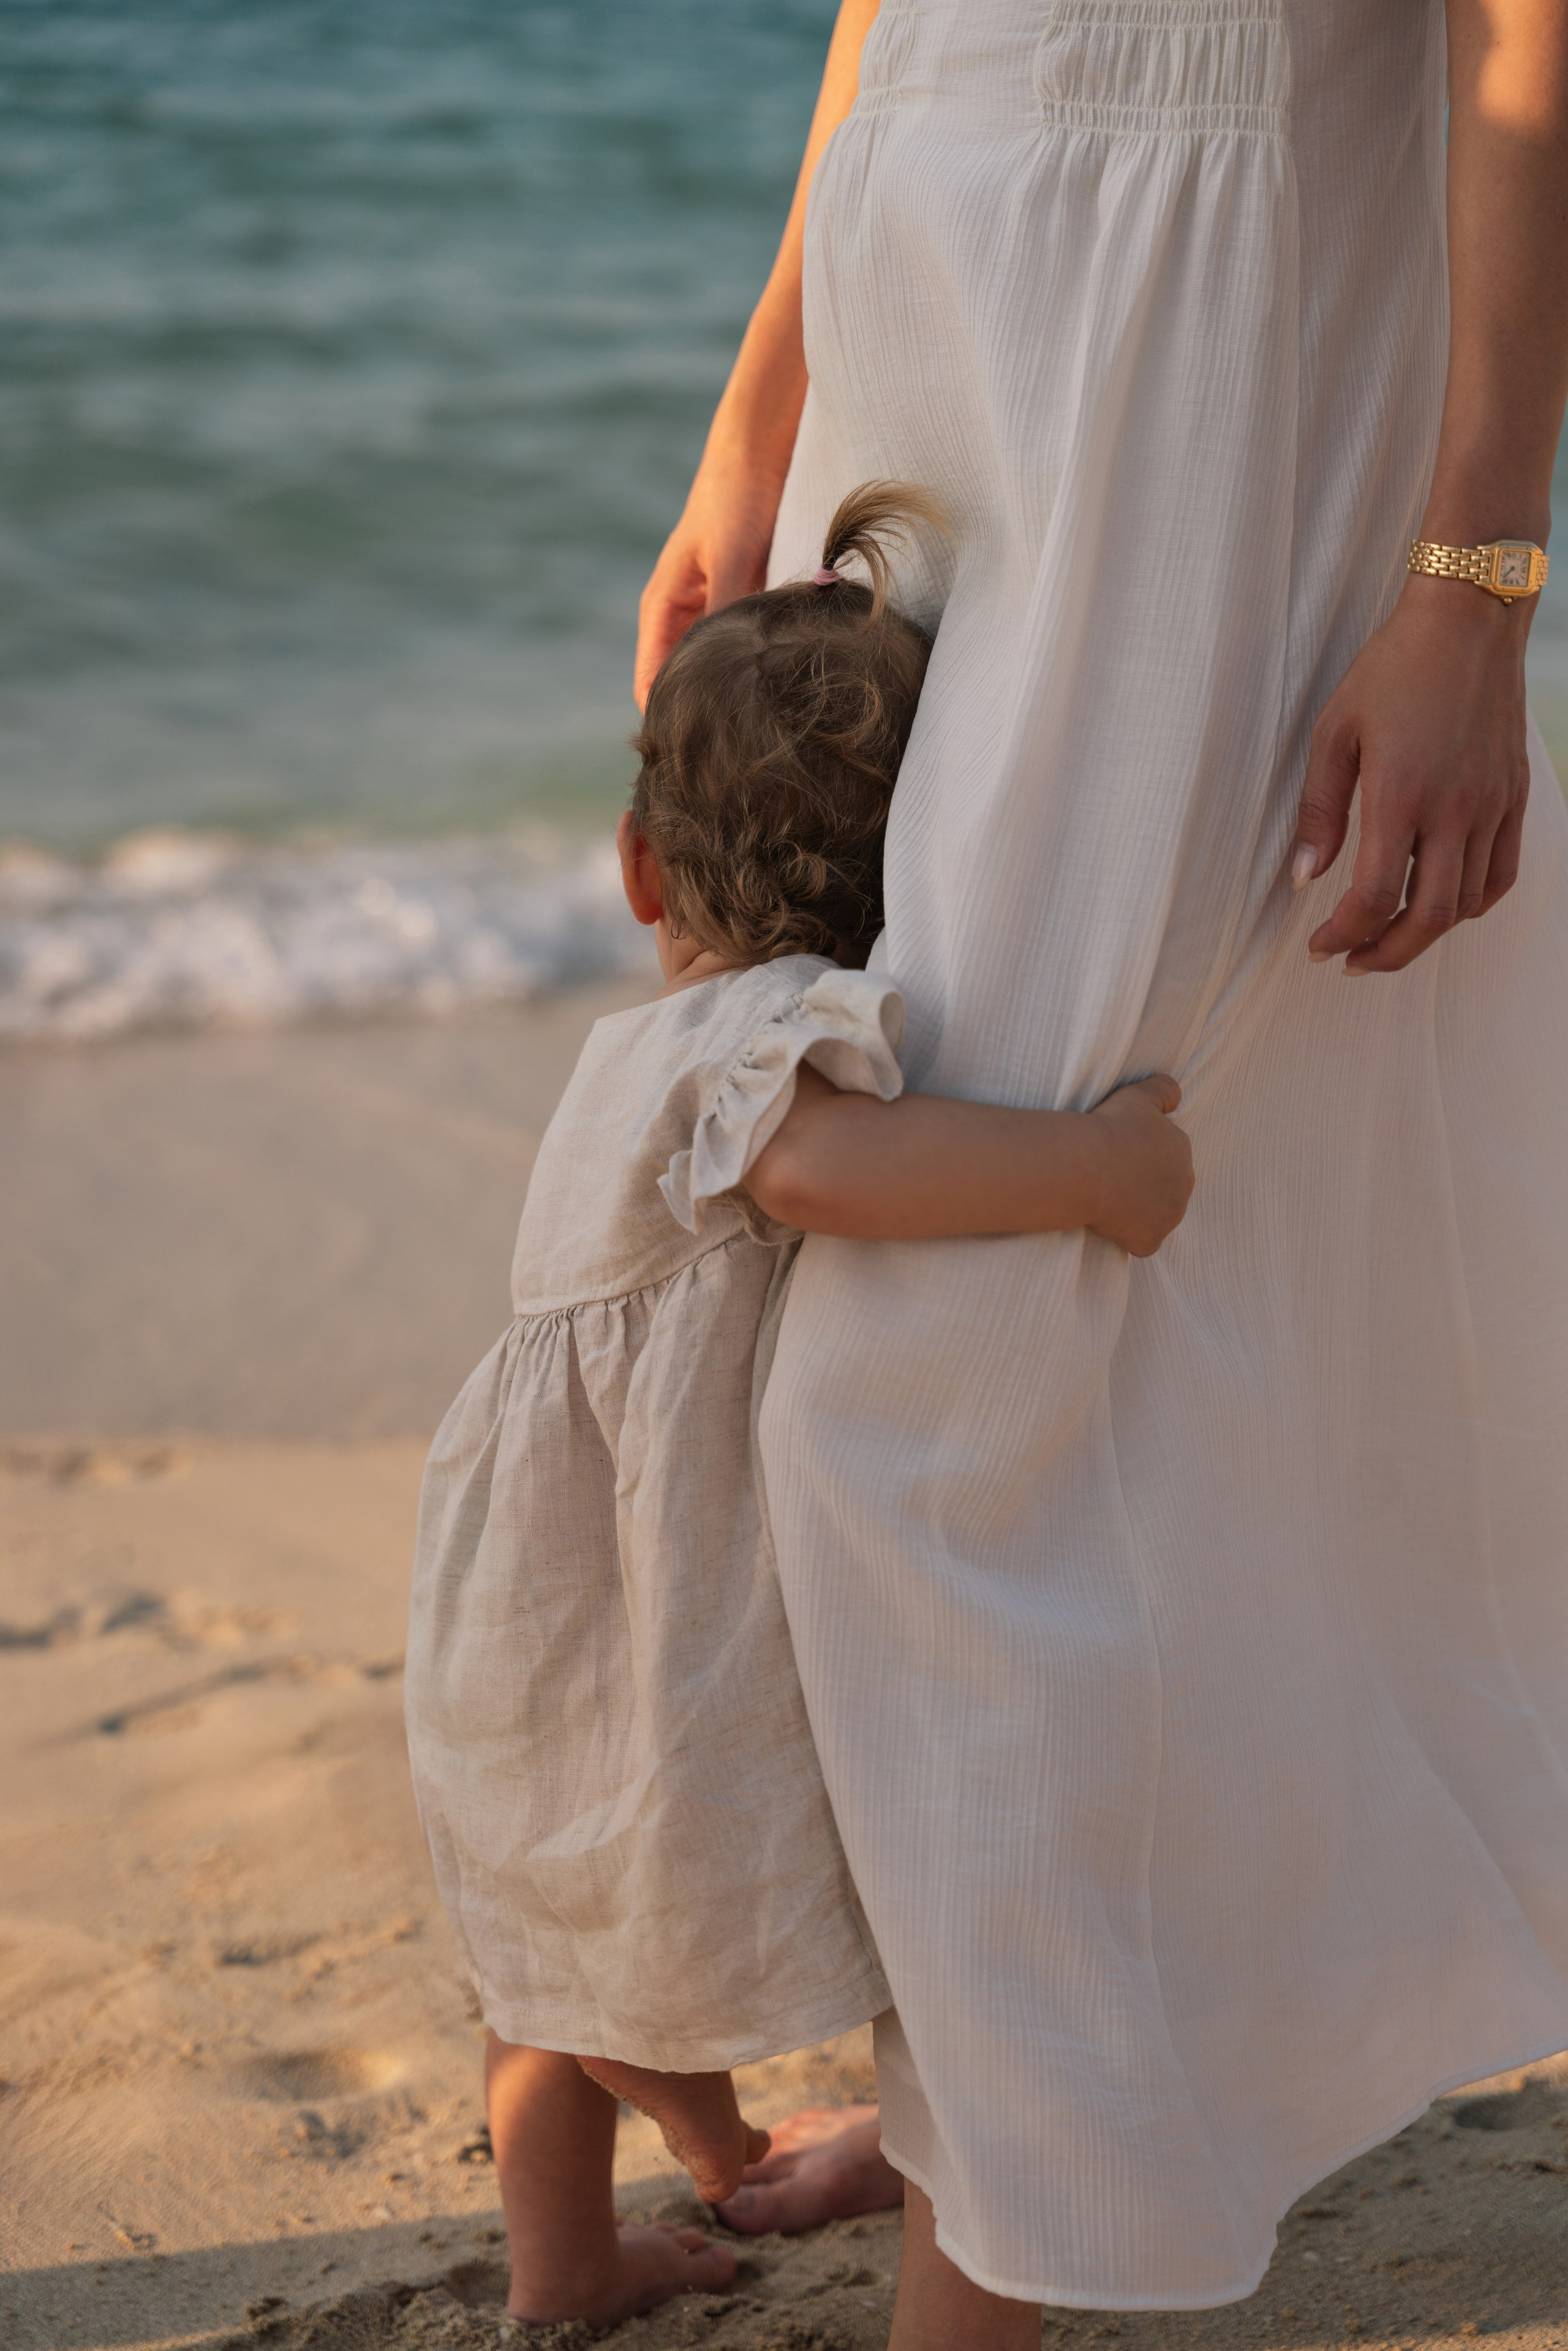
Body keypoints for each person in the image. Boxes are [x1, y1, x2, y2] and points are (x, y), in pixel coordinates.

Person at [637, 4, 1568, 2348]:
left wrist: (1477, 573)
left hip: (1205, 376)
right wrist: (750, 434)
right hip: (921, 329)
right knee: (901, 1207)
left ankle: (1017, 2213)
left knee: (962, 1339)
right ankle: (982, 2080)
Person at [403, 485, 1195, 2329]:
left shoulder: (633, 1046)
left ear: (636, 868)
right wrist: (1089, 1171)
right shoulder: (753, 1040)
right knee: (809, 1908)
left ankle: (567, 2270)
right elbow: (827, 1170)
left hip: (529, 1595)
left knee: (546, 1954)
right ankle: (708, 2142)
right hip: (647, 1596)